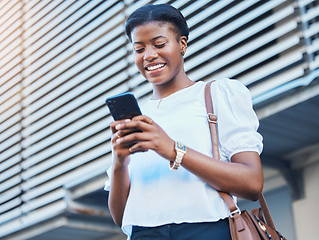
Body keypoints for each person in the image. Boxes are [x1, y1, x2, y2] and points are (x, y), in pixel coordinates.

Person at [105, 4, 263, 240]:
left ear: (182, 44)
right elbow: (121, 217)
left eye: (159, 44)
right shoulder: (139, 116)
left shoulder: (216, 95)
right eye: (139, 48)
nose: (148, 55)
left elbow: (251, 183)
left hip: (206, 231)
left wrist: (172, 149)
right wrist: (120, 164)